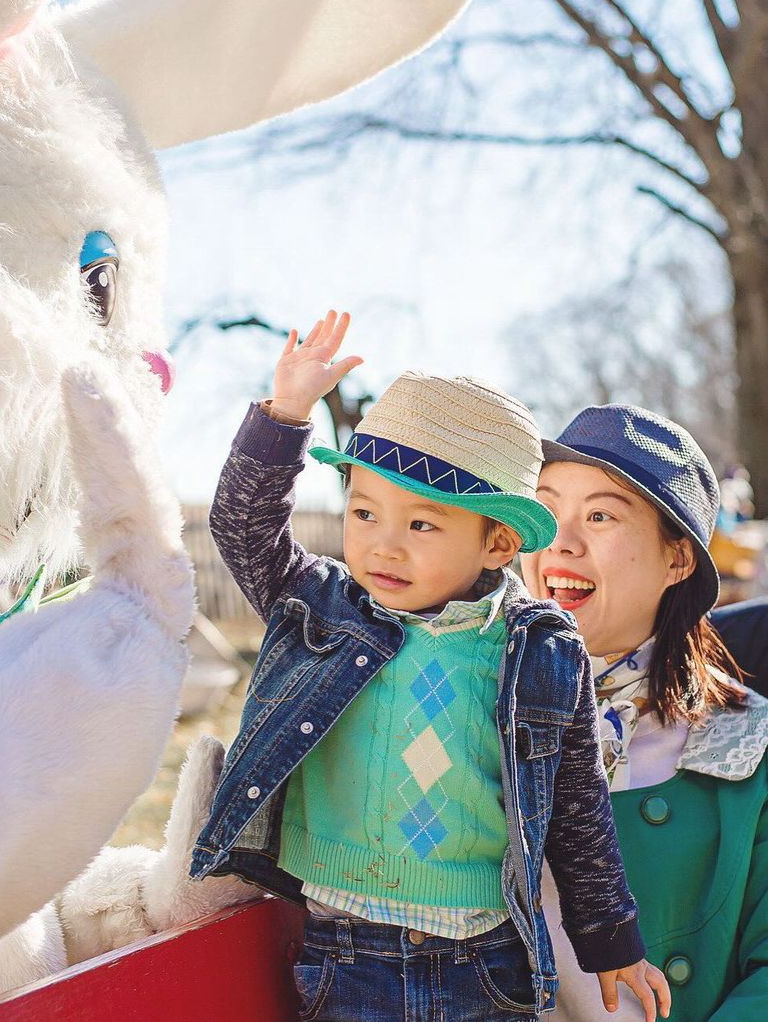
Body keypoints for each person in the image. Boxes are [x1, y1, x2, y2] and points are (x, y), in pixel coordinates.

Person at [191, 313, 668, 1020]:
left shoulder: (538, 650)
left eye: (421, 524)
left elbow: (577, 808)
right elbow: (243, 527)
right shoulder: (324, 609)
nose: (384, 547)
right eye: (363, 513)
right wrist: (284, 416)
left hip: (485, 962)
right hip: (344, 951)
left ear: (498, 541)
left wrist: (612, 942)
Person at [522, 404, 768, 1020]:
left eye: (600, 515)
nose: (561, 541)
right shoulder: (453, 703)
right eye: (545, 509)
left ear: (678, 559)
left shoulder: (748, 742)